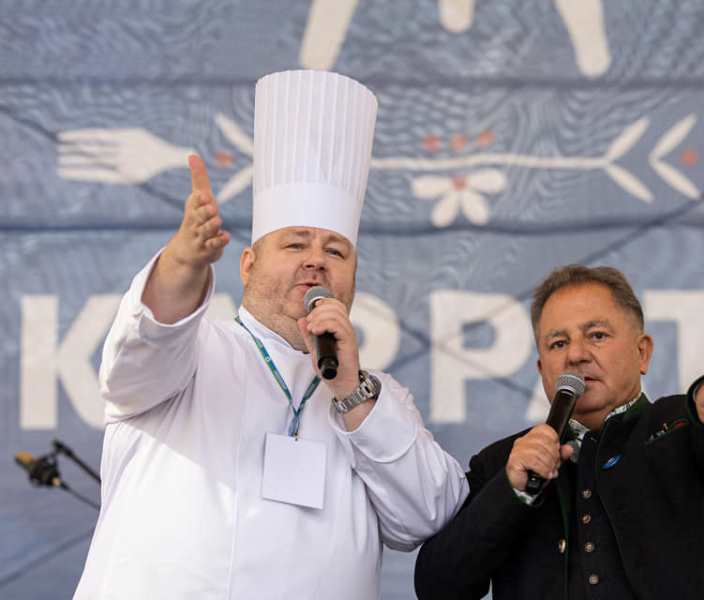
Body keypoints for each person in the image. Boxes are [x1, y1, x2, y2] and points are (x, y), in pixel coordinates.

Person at [74, 70, 468, 600]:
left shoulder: (375, 396)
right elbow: (145, 347)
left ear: (354, 279)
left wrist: (350, 391)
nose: (315, 261)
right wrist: (182, 263)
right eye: (295, 244)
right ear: (247, 264)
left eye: (335, 251)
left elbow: (427, 516)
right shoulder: (195, 351)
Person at [414, 265, 704, 600]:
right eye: (558, 343)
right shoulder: (504, 463)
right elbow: (438, 587)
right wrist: (511, 492)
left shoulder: (683, 425)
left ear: (642, 352)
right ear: (542, 368)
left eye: (597, 336)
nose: (576, 354)